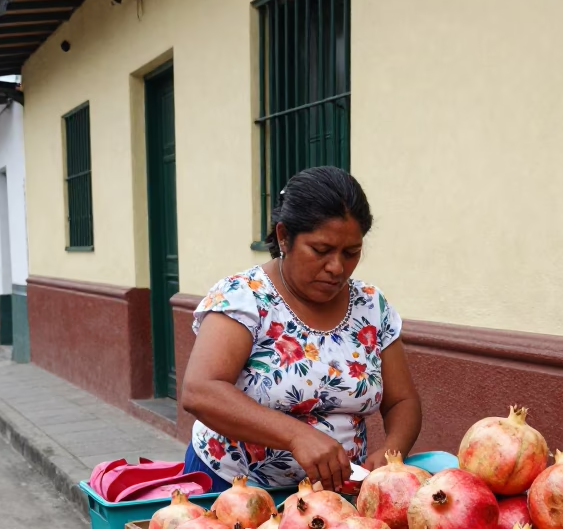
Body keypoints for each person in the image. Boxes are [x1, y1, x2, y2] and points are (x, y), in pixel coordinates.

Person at [181, 166, 422, 492]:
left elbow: (402, 401)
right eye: (321, 250)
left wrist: (391, 453)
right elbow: (201, 391)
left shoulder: (371, 306)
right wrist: (296, 435)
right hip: (235, 488)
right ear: (284, 236)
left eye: (351, 253)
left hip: (335, 497)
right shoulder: (245, 297)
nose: (337, 267)